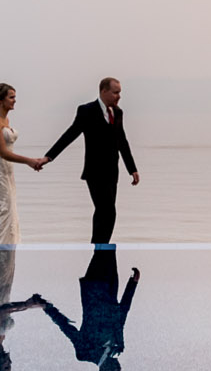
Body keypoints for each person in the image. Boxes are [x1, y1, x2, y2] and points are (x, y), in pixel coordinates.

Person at [42, 76, 139, 245]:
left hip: (112, 172)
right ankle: (99, 249)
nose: (119, 96)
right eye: (115, 92)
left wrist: (132, 169)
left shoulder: (118, 113)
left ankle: (100, 247)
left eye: (120, 93)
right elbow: (70, 134)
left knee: (108, 212)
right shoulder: (87, 110)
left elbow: (122, 141)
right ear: (104, 91)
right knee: (105, 210)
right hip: (94, 172)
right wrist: (48, 157)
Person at [37, 248, 140, 371]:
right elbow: (122, 315)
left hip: (94, 287)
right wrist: (132, 285)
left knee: (103, 245)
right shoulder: (118, 347)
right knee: (108, 247)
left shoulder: (84, 352)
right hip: (111, 287)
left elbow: (66, 328)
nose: (119, 368)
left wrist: (46, 307)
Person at [0, 82, 49, 247]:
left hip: (7, 172)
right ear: (1, 100)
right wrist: (30, 161)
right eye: (11, 97)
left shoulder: (6, 119)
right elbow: (3, 153)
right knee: (2, 211)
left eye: (15, 97)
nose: (14, 101)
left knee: (9, 211)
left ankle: (6, 250)